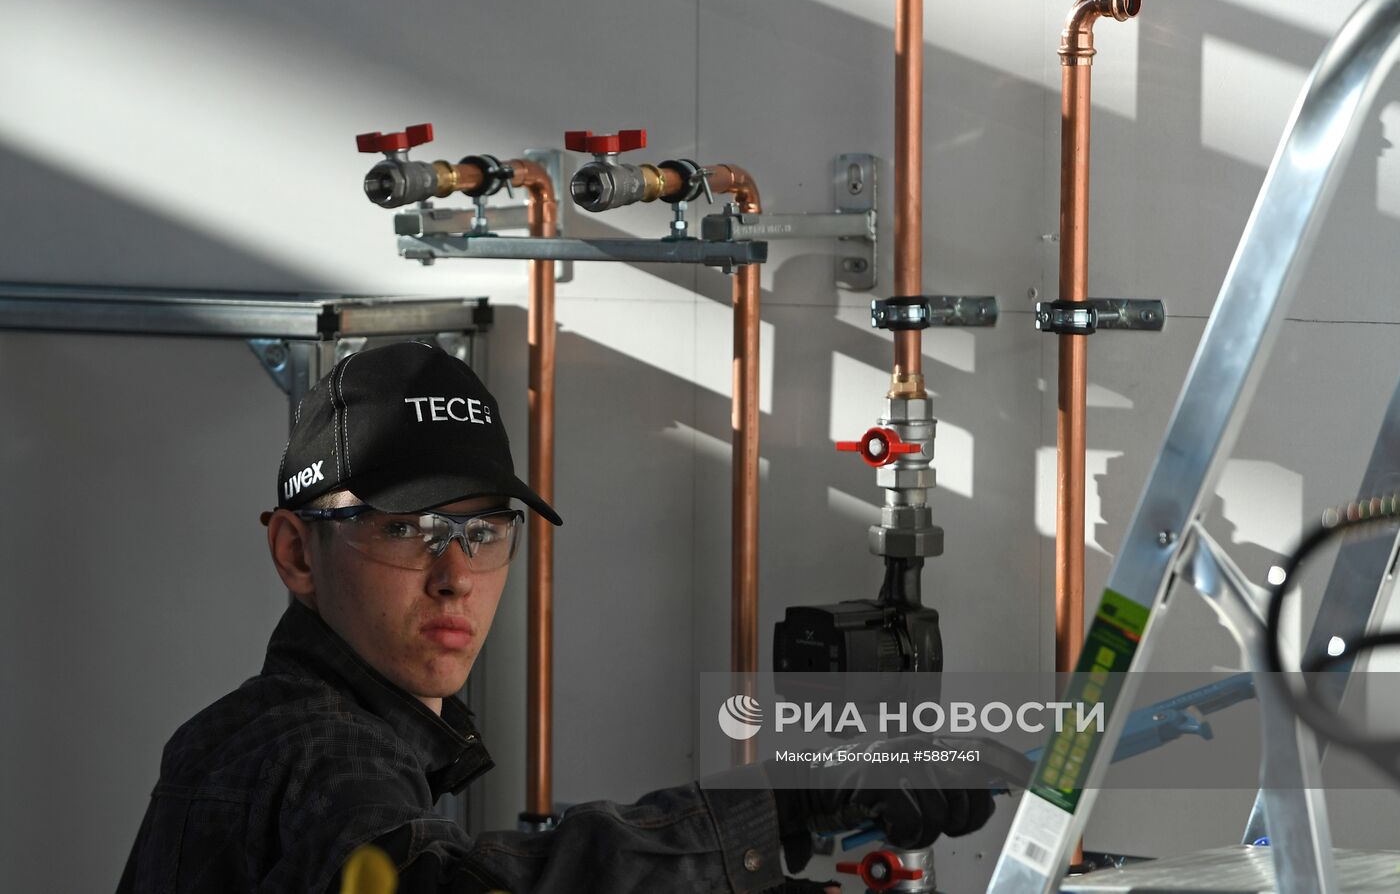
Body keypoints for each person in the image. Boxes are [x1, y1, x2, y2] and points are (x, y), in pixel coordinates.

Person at [117, 340, 1011, 893]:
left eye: (483, 531)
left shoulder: (275, 738)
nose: (454, 576)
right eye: (409, 530)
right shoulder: (314, 750)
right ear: (296, 553)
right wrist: (784, 798)